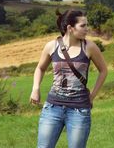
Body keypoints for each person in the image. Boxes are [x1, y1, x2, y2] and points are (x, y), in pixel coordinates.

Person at [30, 10, 108, 148]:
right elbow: (40, 68)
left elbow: (103, 71)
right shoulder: (51, 46)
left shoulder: (89, 47)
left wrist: (93, 96)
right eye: (83, 26)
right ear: (70, 28)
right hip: (52, 108)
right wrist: (35, 88)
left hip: (79, 110)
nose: (87, 29)